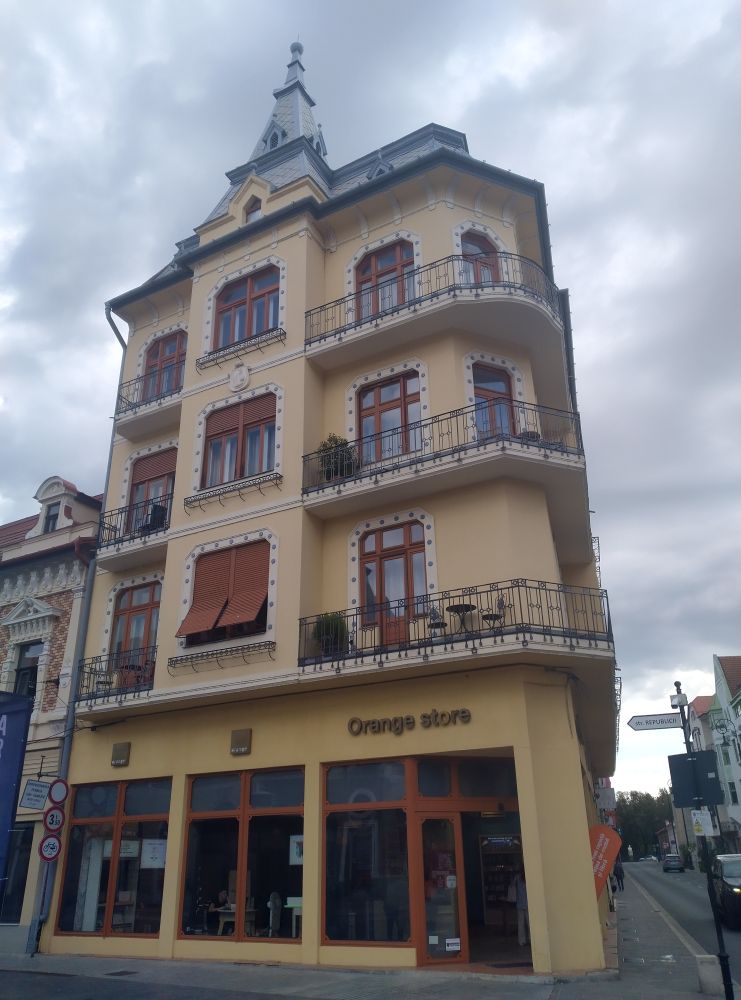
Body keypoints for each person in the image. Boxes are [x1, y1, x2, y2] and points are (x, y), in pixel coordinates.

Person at [511, 867, 529, 947]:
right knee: (529, 923)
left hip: (520, 904)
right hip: (528, 904)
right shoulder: (528, 877)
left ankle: (521, 941)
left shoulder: (517, 877)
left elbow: (511, 885)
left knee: (521, 923)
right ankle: (530, 939)